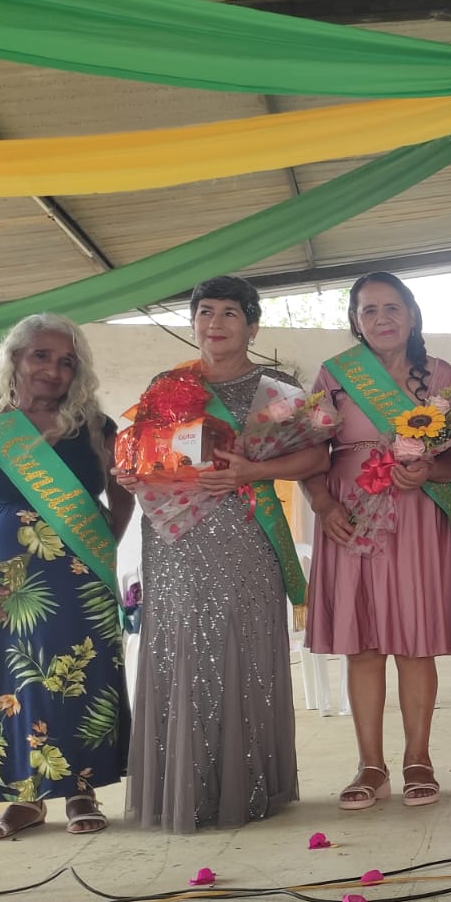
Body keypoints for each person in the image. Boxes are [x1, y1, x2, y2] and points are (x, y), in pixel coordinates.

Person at [124, 277, 322, 831]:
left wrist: (253, 471)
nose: (215, 323)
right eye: (205, 312)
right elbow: (146, 454)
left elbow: (316, 460)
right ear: (193, 324)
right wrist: (131, 472)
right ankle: (182, 788)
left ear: (252, 327)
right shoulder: (167, 385)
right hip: (173, 540)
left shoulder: (276, 388)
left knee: (243, 648)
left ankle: (246, 786)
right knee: (180, 650)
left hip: (244, 531)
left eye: (230, 313)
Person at [0, 315, 133, 840]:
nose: (54, 369)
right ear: (15, 359)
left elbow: (123, 497)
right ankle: (22, 800)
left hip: (77, 578)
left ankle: (81, 791)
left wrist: (97, 551)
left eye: (67, 361)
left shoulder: (96, 427)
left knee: (78, 678)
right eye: (41, 356)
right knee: (9, 681)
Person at [306, 272, 451, 808]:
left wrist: (428, 470)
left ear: (412, 314)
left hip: (417, 514)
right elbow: (307, 453)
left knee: (416, 642)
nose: (382, 319)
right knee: (364, 644)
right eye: (369, 310)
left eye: (392, 308)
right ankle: (370, 766)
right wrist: (323, 505)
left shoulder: (440, 375)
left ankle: (418, 759)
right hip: (350, 515)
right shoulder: (334, 375)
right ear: (356, 321)